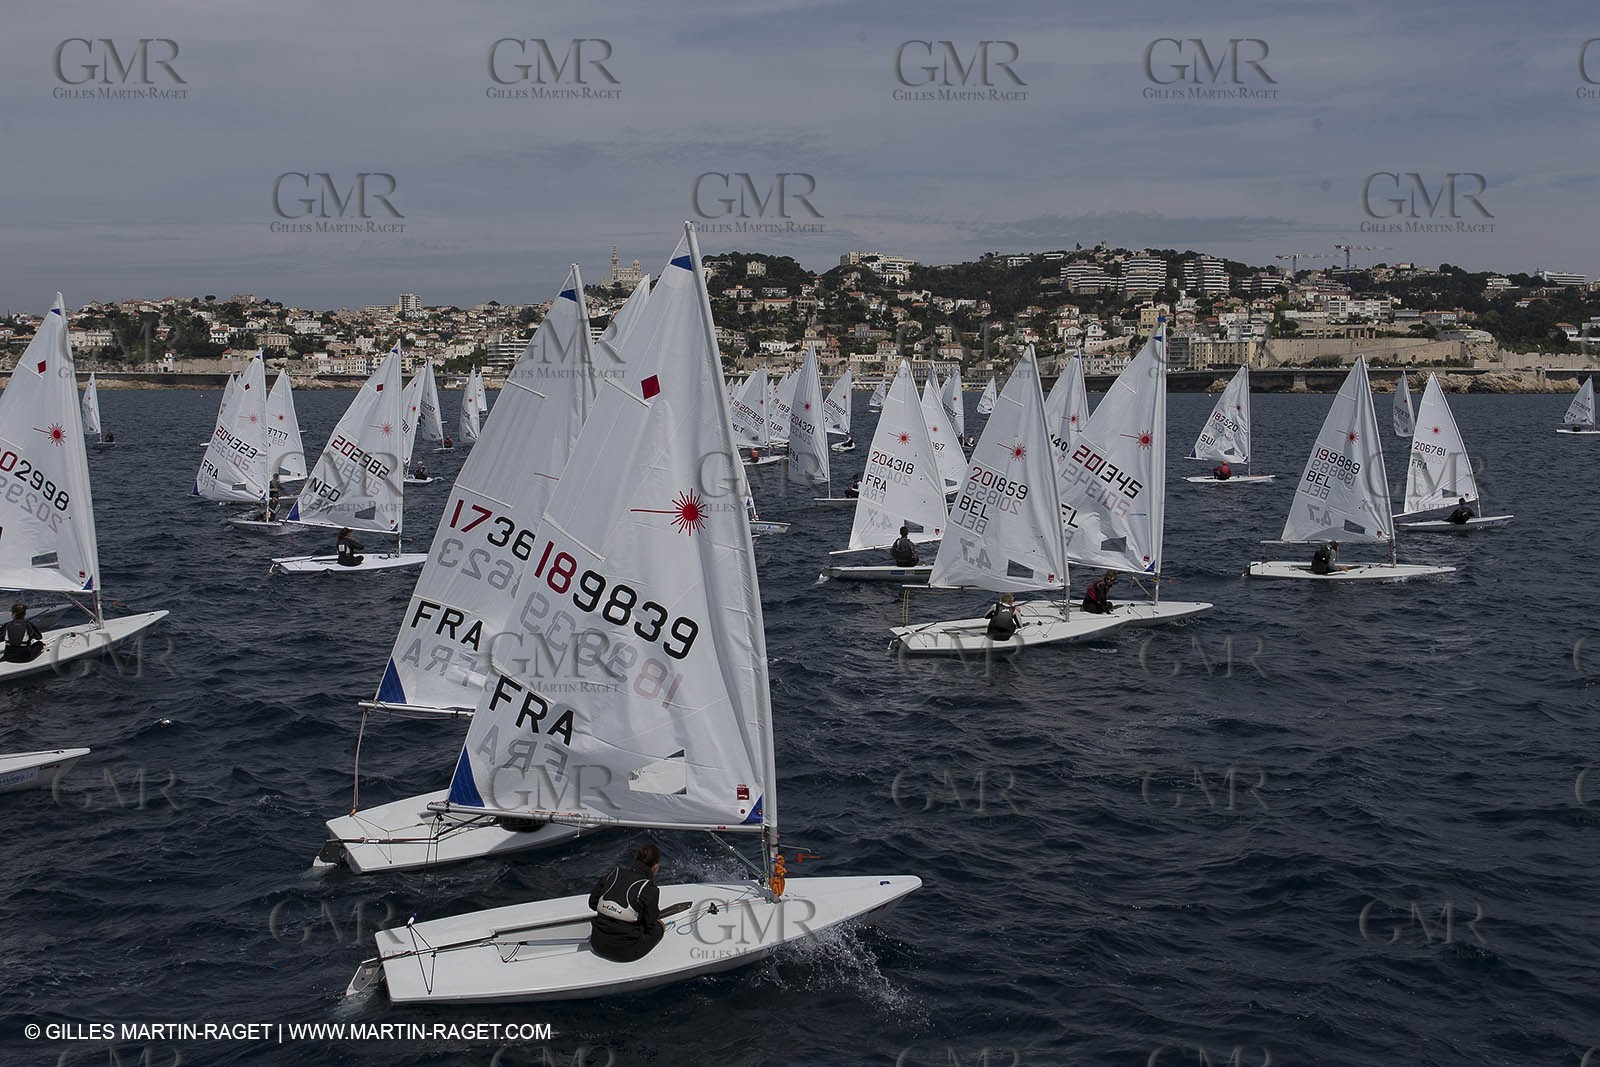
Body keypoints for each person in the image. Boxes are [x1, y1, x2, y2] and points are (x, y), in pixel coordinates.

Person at [588, 843, 664, 962]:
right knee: (659, 927)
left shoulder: (613, 874)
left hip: (596, 942)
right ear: (655, 867)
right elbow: (650, 926)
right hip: (626, 952)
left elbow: (593, 903)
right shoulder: (649, 889)